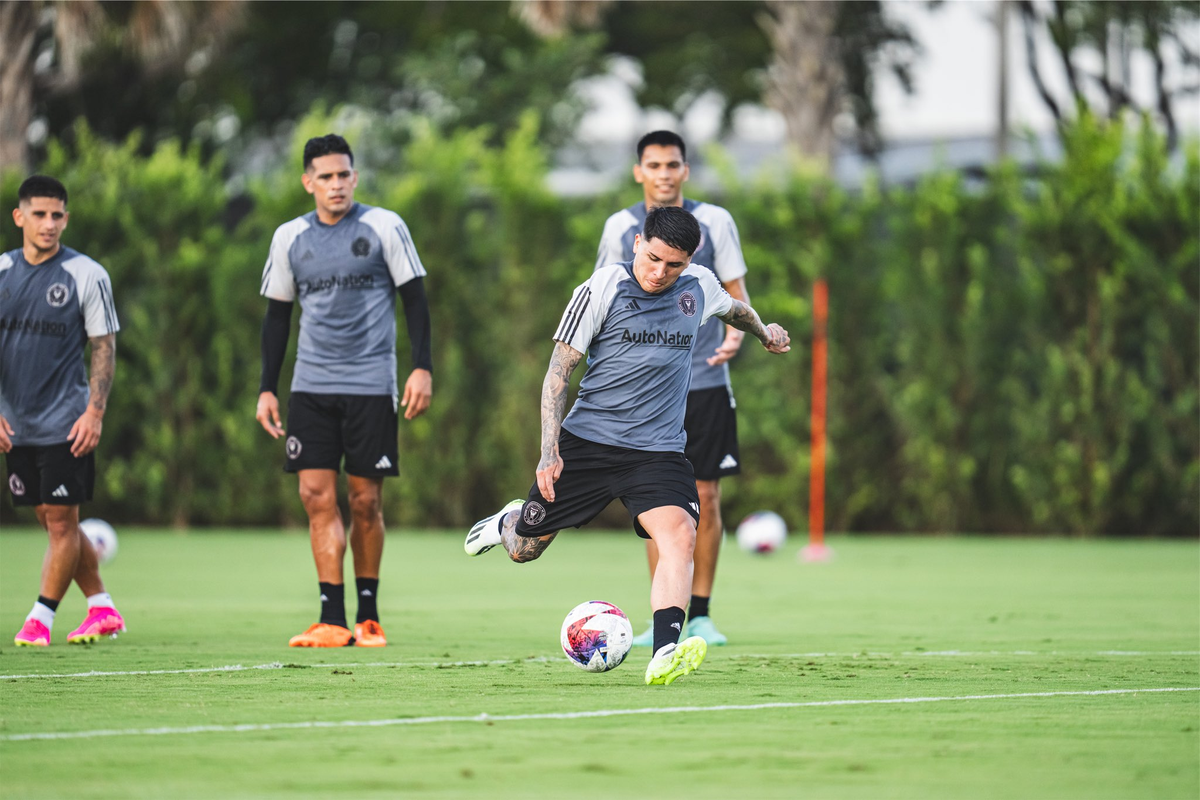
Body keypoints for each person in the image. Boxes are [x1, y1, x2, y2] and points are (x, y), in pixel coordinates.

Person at [466, 206, 789, 685]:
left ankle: (664, 652)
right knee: (524, 550)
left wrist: (765, 332)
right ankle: (506, 522)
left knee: (680, 536)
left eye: (673, 264)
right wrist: (549, 452)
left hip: (658, 452)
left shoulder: (698, 286)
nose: (660, 273)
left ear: (690, 260)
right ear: (638, 243)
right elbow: (558, 373)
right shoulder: (602, 287)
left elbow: (736, 309)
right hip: (588, 444)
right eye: (653, 259)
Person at [257, 134, 432, 648]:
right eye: (325, 177)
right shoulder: (289, 237)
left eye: (343, 175)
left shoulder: (384, 226)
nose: (336, 184)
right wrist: (267, 388)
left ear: (355, 177)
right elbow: (277, 317)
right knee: (314, 496)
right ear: (308, 182)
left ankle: (368, 617)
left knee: (364, 500)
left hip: (370, 385)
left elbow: (416, 301)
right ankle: (331, 618)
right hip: (310, 386)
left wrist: (421, 368)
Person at [595, 130, 748, 647]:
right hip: (643, 392)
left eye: (672, 164)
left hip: (703, 380)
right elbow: (604, 296)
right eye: (654, 165)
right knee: (654, 500)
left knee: (705, 494)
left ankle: (699, 614)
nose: (664, 173)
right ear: (639, 171)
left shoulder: (716, 221)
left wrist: (736, 334)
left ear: (685, 170)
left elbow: (735, 294)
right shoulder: (620, 227)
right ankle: (662, 618)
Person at [1, 175, 125, 647]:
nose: (49, 223)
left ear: (66, 219)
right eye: (39, 214)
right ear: (20, 217)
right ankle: (102, 607)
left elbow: (103, 346)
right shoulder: (2, 272)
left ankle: (40, 619)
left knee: (59, 523)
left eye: (57, 215)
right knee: (54, 521)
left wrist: (94, 412)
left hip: (67, 421)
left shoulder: (86, 274)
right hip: (16, 425)